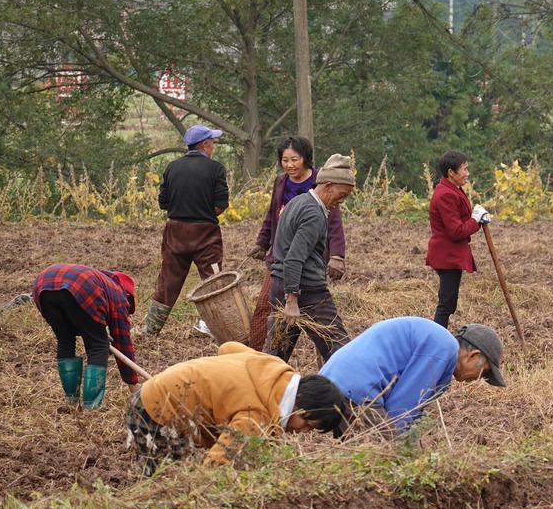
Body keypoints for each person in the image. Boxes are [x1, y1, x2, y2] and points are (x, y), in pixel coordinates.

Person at [125, 341, 349, 475]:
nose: (303, 432)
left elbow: (227, 348)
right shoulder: (256, 416)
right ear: (300, 400)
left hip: (161, 391)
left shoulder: (274, 368)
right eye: (307, 424)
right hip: (153, 413)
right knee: (165, 481)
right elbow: (216, 463)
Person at [319, 316, 505, 439]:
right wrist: (409, 454)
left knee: (359, 458)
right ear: (472, 355)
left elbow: (413, 414)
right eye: (484, 372)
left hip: (339, 380)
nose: (479, 379)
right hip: (358, 388)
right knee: (387, 452)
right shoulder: (443, 350)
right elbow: (401, 411)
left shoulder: (440, 347)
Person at [247, 136, 346, 350]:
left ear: (306, 159)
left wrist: (337, 255)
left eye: (295, 159)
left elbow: (335, 223)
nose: (290, 165)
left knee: (279, 345)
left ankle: (264, 370)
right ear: (328, 187)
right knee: (335, 343)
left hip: (299, 265)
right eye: (285, 160)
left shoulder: (320, 188)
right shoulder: (294, 192)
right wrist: (263, 242)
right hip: (293, 271)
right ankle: (252, 355)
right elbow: (272, 217)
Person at [136, 124, 229, 337]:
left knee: (168, 279)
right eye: (212, 142)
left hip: (175, 232)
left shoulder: (172, 167)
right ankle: (210, 326)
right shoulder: (215, 168)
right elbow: (221, 204)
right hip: (205, 232)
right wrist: (203, 214)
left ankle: (150, 330)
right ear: (204, 145)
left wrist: (183, 211)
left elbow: (163, 202)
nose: (213, 146)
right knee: (212, 280)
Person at [263, 153, 355, 363]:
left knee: (275, 356)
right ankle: (351, 394)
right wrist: (292, 299)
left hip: (279, 286)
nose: (341, 201)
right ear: (328, 185)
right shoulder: (314, 213)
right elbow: (294, 258)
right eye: (341, 195)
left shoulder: (297, 202)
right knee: (340, 351)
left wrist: (286, 295)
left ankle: (260, 391)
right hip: (308, 293)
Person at [32, 264, 139, 410]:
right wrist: (134, 389)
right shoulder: (118, 294)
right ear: (127, 295)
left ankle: (71, 401)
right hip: (79, 284)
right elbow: (122, 342)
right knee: (98, 346)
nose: (127, 308)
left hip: (42, 283)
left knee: (65, 339)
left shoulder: (100, 281)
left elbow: (77, 317)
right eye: (129, 305)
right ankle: (91, 408)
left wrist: (94, 330)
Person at [426, 150, 490, 329]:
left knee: (448, 303)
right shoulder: (446, 194)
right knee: (446, 304)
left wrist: (474, 219)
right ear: (451, 173)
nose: (467, 173)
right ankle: (437, 341)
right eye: (464, 169)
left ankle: (439, 338)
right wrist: (475, 220)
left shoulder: (453, 189)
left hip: (450, 255)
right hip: (446, 256)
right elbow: (456, 231)